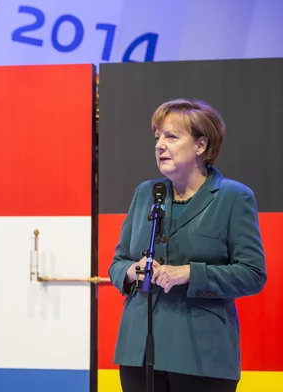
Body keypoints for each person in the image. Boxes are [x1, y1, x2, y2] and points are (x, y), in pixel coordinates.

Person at [109, 99, 267, 392]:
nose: (159, 145)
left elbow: (252, 275)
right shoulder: (146, 193)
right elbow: (118, 262)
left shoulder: (234, 197)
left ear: (201, 146)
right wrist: (132, 270)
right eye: (157, 137)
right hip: (139, 351)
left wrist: (189, 273)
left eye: (171, 136)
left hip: (201, 355)